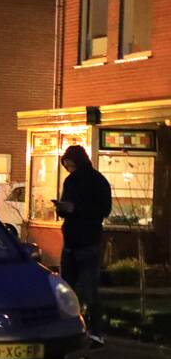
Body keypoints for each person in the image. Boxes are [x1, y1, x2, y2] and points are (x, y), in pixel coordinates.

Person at [55, 144, 112, 345]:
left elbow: (104, 209)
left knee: (89, 289)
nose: (69, 168)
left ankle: (96, 331)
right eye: (67, 165)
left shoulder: (97, 181)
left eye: (70, 164)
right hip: (72, 241)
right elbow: (66, 207)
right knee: (68, 290)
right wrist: (62, 209)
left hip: (88, 241)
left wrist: (75, 208)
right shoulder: (70, 181)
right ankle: (72, 329)